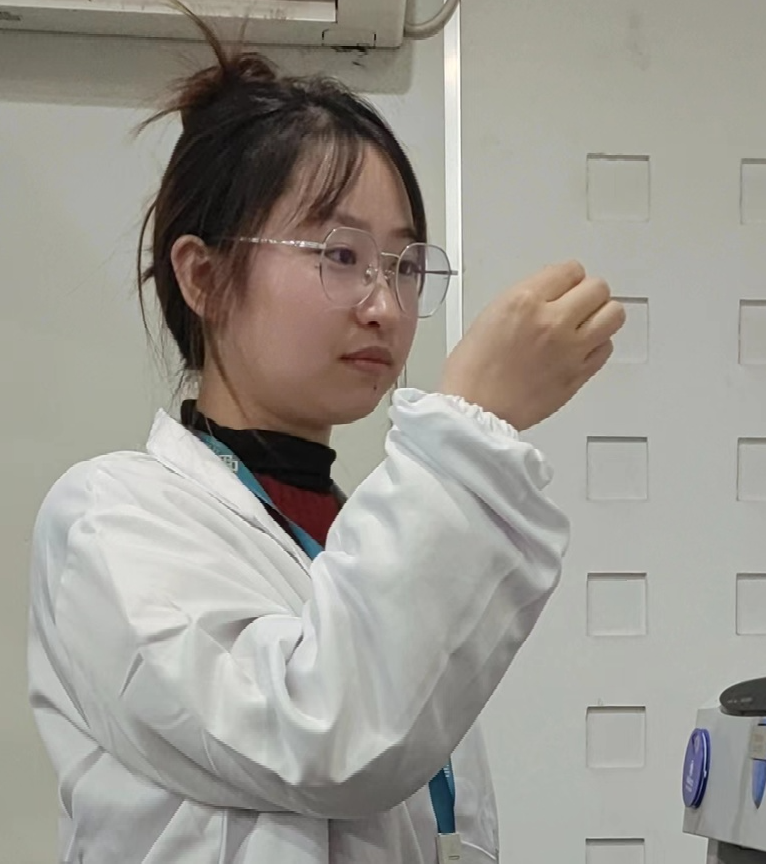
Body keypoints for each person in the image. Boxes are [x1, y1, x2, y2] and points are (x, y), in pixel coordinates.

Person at [27, 9, 625, 864]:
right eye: (340, 255)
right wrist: (469, 426)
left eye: (404, 264)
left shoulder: (363, 533)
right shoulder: (108, 520)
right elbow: (327, 734)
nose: (384, 304)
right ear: (204, 276)